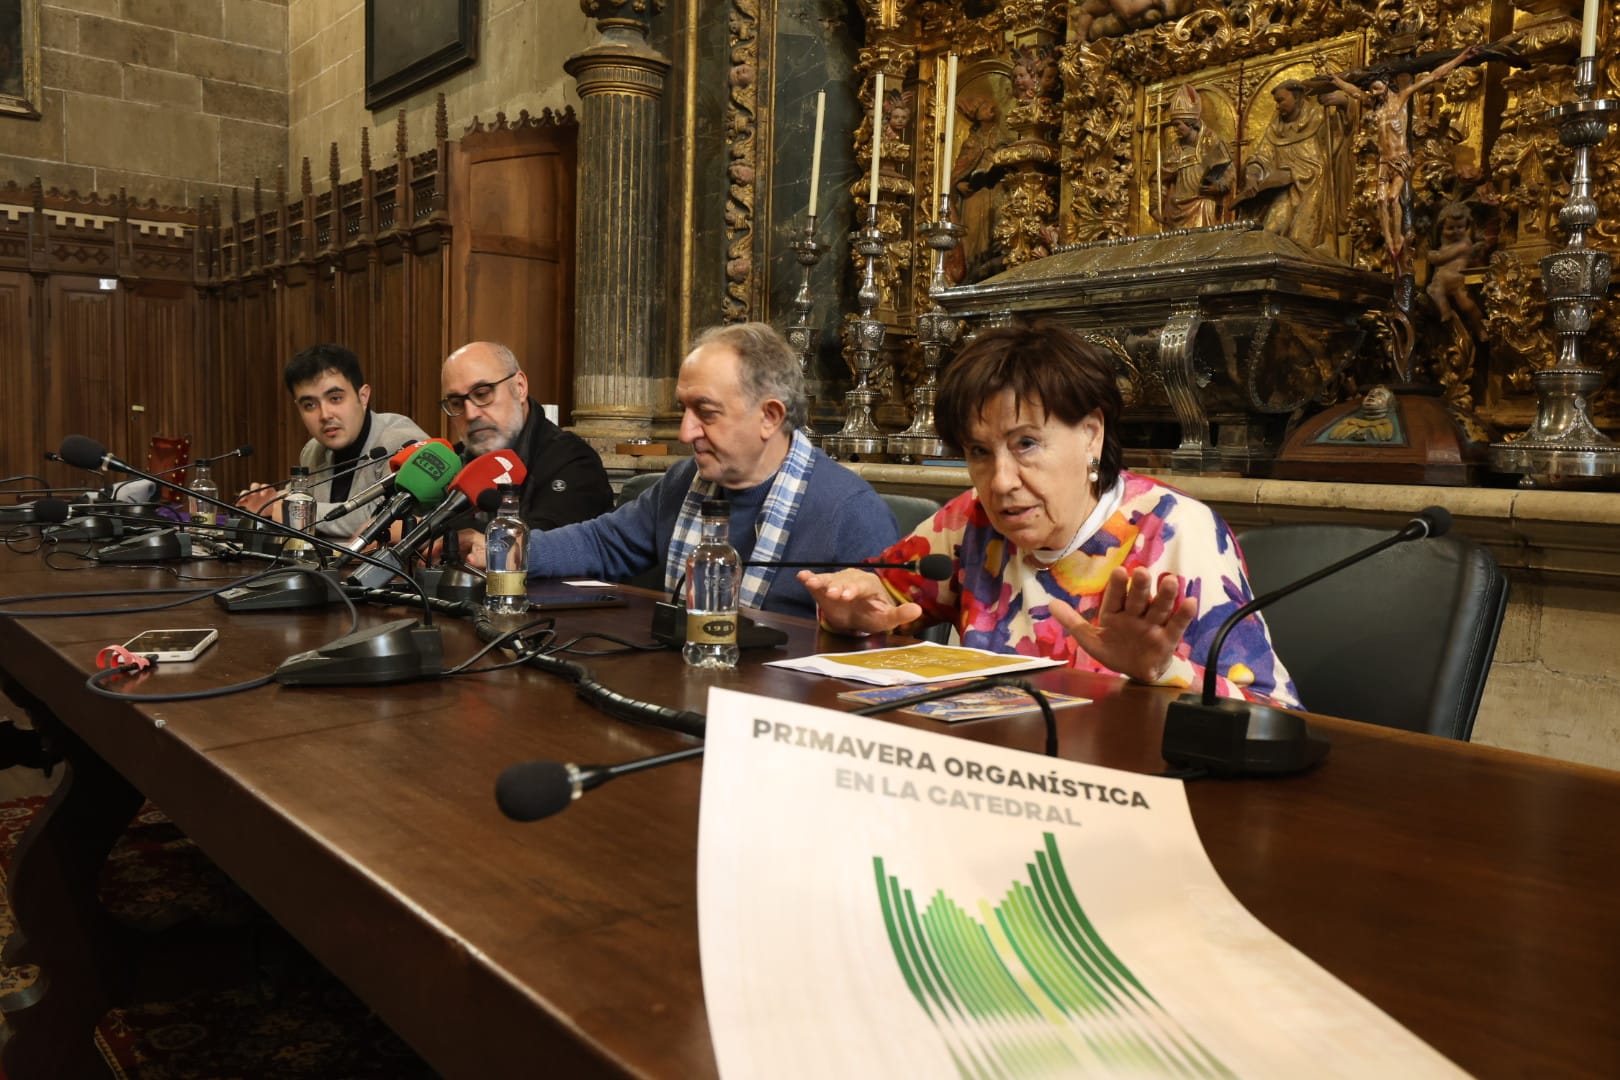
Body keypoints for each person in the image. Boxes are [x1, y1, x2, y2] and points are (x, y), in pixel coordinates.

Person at [801, 323, 1300, 706]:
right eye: (979, 452)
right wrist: (847, 613)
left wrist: (1162, 670)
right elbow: (878, 597)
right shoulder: (971, 521)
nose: (1000, 482)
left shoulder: (1176, 532)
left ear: (1091, 434)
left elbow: (1273, 713)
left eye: (1026, 444)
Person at [513, 322, 899, 618]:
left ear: (769, 416)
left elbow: (883, 644)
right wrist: (502, 549)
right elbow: (601, 543)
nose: (685, 431)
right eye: (684, 409)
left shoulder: (852, 512)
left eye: (706, 412)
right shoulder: (682, 482)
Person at [237, 344, 429, 538]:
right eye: (309, 405)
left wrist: (286, 511)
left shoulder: (403, 442)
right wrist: (265, 500)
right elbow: (293, 498)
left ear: (363, 396)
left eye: (335, 398)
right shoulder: (313, 450)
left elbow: (382, 518)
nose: (324, 415)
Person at [1328, 47, 1481, 273]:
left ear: (1386, 84)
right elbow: (1354, 92)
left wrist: (1461, 58)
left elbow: (1433, 76)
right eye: (1372, 90)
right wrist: (1335, 80)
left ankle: (1398, 237)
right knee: (1380, 199)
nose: (1374, 93)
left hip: (1400, 159)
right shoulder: (1374, 105)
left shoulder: (1401, 99)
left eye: (1377, 88)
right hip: (1383, 161)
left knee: (1391, 198)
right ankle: (1390, 241)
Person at [439, 341, 614, 538]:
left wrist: (446, 535)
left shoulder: (573, 461)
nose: (470, 414)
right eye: (456, 403)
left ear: (519, 387)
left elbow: (546, 544)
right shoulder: (452, 463)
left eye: (482, 394)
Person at [1233, 80, 1349, 261]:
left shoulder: (1319, 119)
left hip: (1312, 188)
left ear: (1298, 98)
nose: (1277, 107)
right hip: (1281, 189)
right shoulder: (1276, 127)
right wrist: (1252, 175)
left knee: (1300, 242)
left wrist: (1344, 104)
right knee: (1270, 232)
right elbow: (1262, 156)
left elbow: (1343, 133)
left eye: (1281, 101)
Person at [1153, 85, 1231, 231]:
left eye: (1178, 125)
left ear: (1190, 123)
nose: (1175, 130)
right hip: (1176, 210)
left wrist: (1219, 186)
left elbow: (1225, 171)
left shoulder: (1209, 143)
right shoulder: (1174, 150)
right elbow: (1160, 179)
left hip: (1203, 205)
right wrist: (1155, 205)